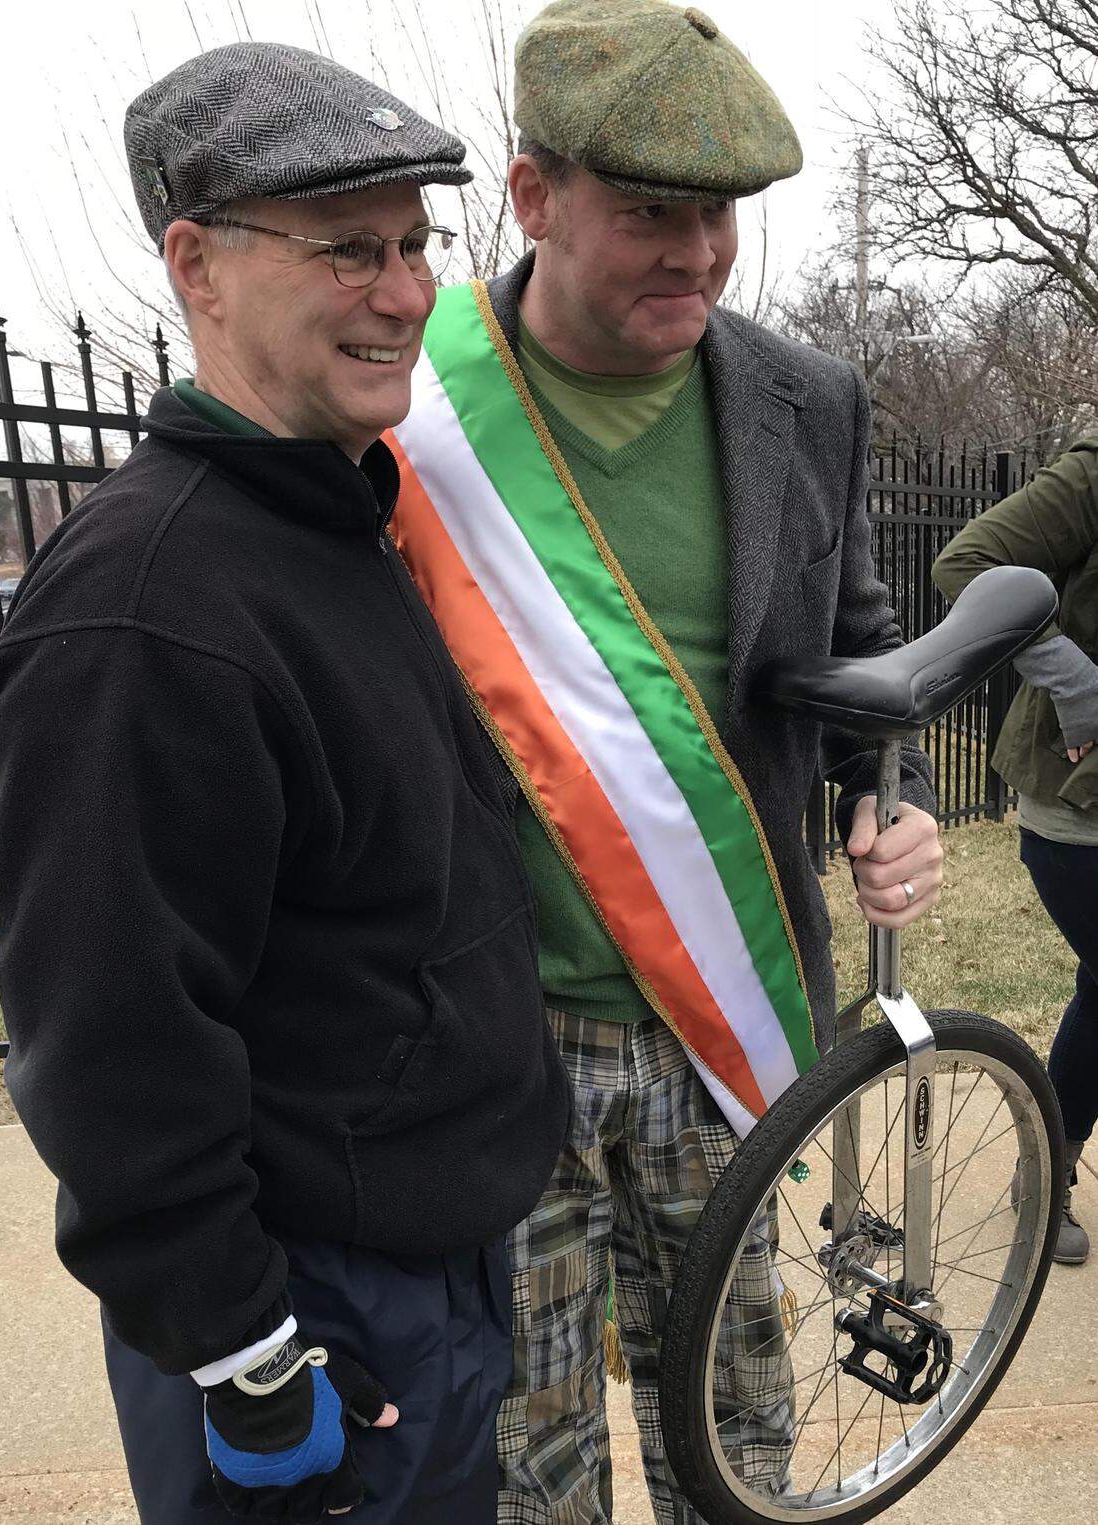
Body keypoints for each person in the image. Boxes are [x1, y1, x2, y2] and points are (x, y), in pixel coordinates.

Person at [0, 41, 569, 1525]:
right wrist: (245, 1354)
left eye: (419, 243)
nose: (403, 288)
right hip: (313, 1321)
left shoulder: (327, 517)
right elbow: (113, 1048)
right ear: (198, 263)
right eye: (347, 247)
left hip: (429, 1271)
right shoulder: (146, 611)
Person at [384, 2, 944, 1519]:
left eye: (723, 215)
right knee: (531, 1458)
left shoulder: (806, 399)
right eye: (650, 212)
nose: (698, 254)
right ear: (532, 197)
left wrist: (884, 810)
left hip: (722, 1028)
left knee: (738, 1441)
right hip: (499, 1037)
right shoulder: (403, 411)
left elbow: (855, 662)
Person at [933, 438, 1098, 1266]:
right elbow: (967, 564)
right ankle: (1044, 1170)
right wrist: (1078, 684)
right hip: (1082, 807)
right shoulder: (1096, 471)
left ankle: (1046, 1166)